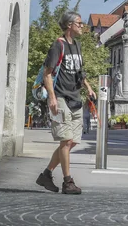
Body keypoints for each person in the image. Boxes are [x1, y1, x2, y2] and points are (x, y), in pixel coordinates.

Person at [36, 11, 96, 195]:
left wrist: (88, 87)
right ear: (69, 25)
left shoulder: (76, 45)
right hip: (60, 98)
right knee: (66, 140)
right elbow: (48, 73)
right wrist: (52, 98)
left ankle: (46, 174)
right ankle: (67, 181)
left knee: (72, 142)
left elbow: (80, 71)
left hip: (75, 98)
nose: (82, 26)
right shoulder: (58, 45)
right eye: (79, 23)